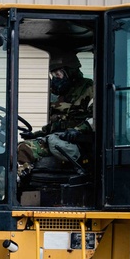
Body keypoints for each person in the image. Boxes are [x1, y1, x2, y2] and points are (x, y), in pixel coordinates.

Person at [16, 49, 94, 177]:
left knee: (23, 149)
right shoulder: (63, 95)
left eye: (59, 74)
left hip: (77, 143)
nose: (55, 79)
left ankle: (23, 178)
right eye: (53, 75)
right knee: (18, 148)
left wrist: (78, 130)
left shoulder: (89, 88)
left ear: (71, 72)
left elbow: (97, 118)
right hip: (58, 140)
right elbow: (55, 125)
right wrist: (34, 134)